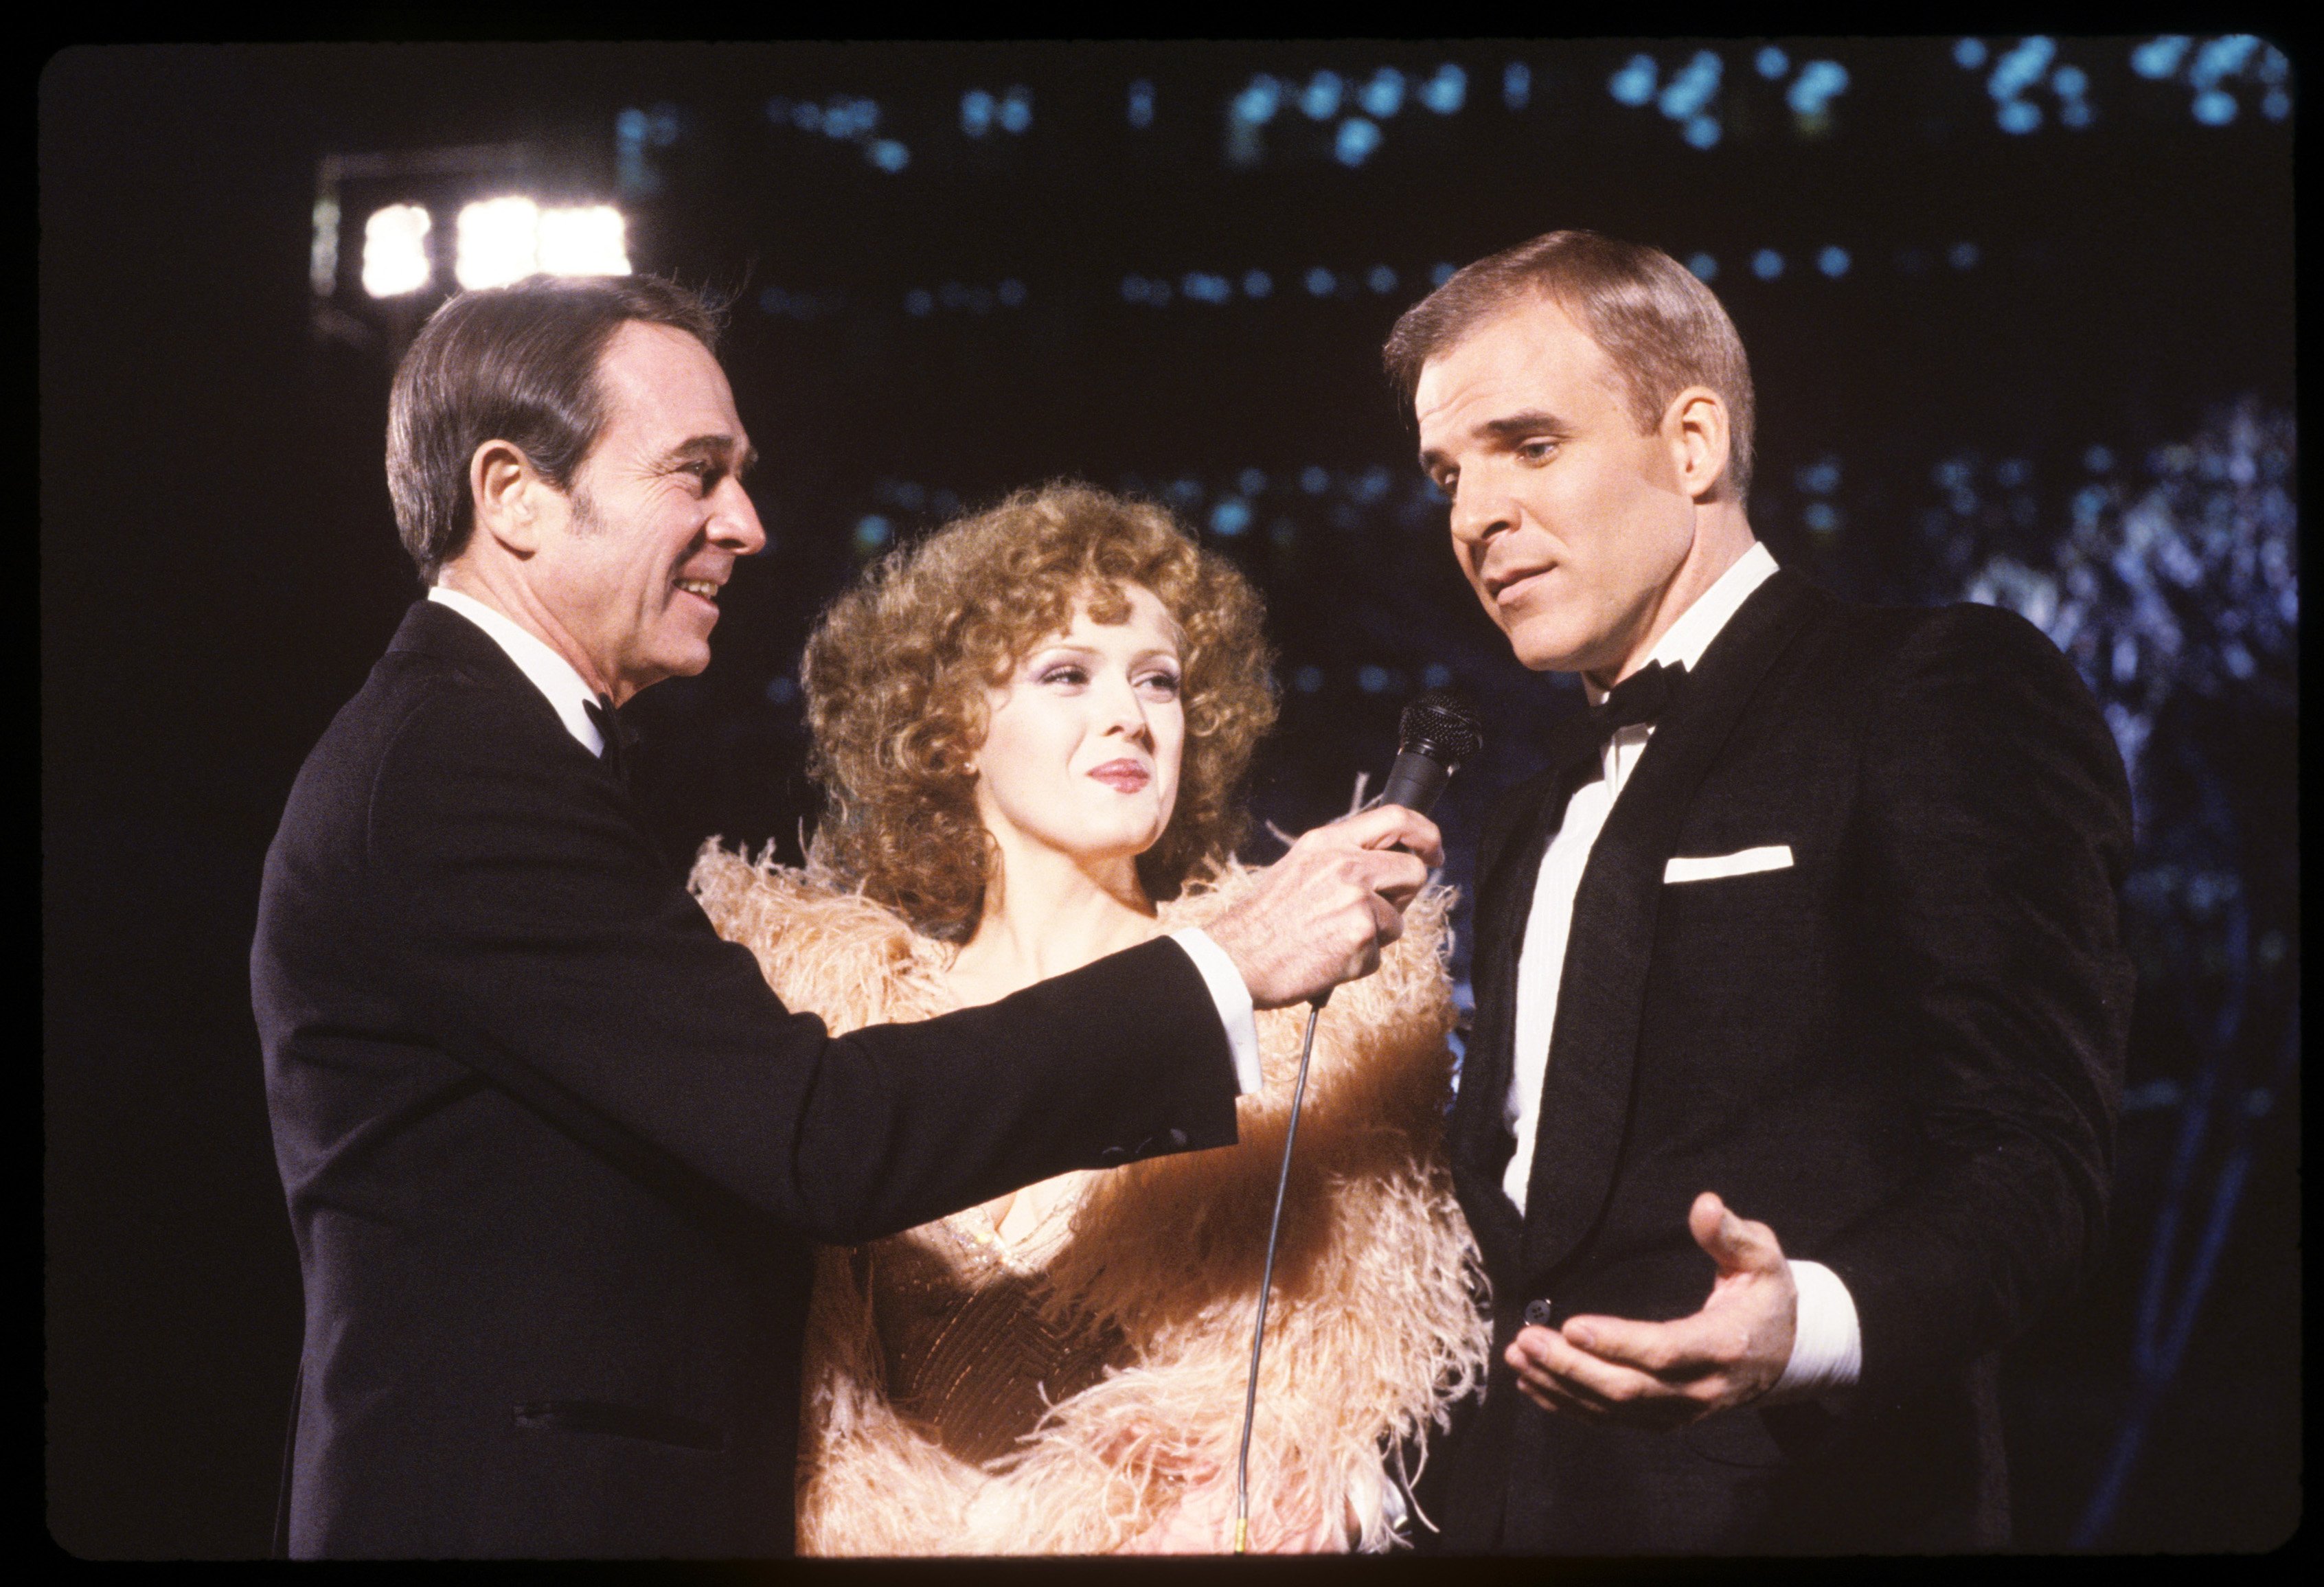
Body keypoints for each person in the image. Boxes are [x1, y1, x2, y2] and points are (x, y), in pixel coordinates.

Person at [249, 275, 1439, 1559]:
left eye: (1157, 676)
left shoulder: (488, 752)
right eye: (696, 474)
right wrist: (1230, 963)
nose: (747, 524)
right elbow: (825, 1139)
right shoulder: (450, 770)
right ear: (514, 495)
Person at [1384, 231, 2133, 1552]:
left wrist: (1815, 1322)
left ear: (1693, 444)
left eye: (1530, 446)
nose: (1473, 515)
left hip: (1810, 1517)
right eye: (1449, 472)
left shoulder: (1930, 691)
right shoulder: (1519, 822)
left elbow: (2037, 1149)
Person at [688, 482, 1490, 1554]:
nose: (1130, 715)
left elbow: (1337, 1378)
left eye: (1159, 681)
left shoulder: (1319, 1025)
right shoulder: (823, 1013)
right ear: (953, 724)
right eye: (1067, 674)